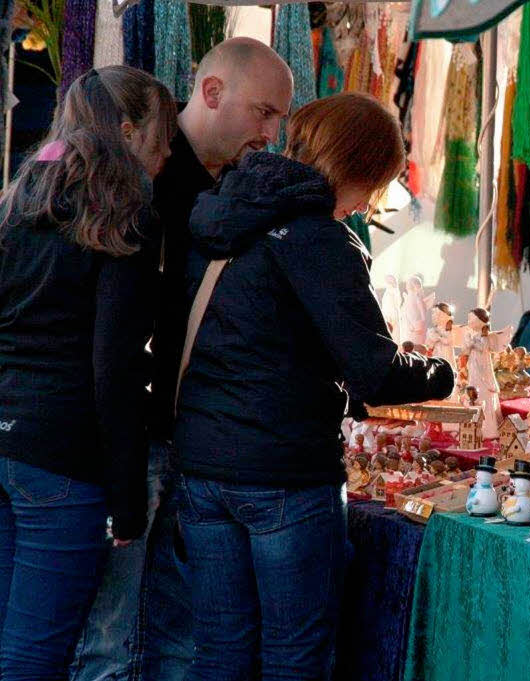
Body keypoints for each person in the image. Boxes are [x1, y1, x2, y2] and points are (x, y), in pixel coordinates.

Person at [174, 92, 454, 679]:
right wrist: (439, 372)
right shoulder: (318, 238)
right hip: (284, 471)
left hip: (202, 465)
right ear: (365, 172)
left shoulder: (222, 209)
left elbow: (255, 337)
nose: (368, 205)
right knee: (294, 659)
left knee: (219, 652)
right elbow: (374, 371)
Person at [71, 38, 294, 681]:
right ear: (214, 93)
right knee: (109, 635)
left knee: (173, 627)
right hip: (123, 437)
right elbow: (111, 335)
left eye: (280, 117)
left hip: (182, 436)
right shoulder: (144, 180)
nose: (272, 131)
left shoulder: (228, 187)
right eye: (265, 112)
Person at [0, 66, 174, 679]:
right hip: (62, 457)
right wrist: (128, 503)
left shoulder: (21, 201)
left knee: (11, 644)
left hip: (9, 438)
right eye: (162, 138)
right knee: (33, 655)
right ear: (128, 132)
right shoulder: (124, 216)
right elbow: (114, 369)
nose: (166, 155)